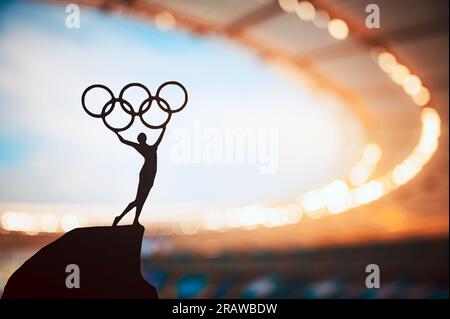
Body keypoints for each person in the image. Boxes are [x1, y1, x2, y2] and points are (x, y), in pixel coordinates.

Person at [112, 128, 165, 226]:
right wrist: (163, 128)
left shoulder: (145, 147)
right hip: (146, 175)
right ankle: (120, 217)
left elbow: (124, 141)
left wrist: (116, 132)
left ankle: (135, 220)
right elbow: (160, 138)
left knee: (141, 200)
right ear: (144, 139)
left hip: (149, 175)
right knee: (138, 200)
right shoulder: (151, 148)